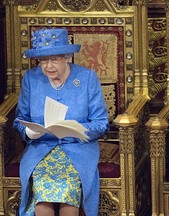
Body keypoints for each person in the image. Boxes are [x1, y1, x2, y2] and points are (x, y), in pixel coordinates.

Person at [13, 28, 109, 216]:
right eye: (43, 60)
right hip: (40, 150)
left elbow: (101, 123)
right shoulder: (31, 79)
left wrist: (74, 130)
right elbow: (20, 120)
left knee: (68, 194)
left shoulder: (87, 78)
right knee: (41, 198)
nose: (48, 66)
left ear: (67, 57)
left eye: (54, 59)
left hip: (78, 150)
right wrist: (28, 133)